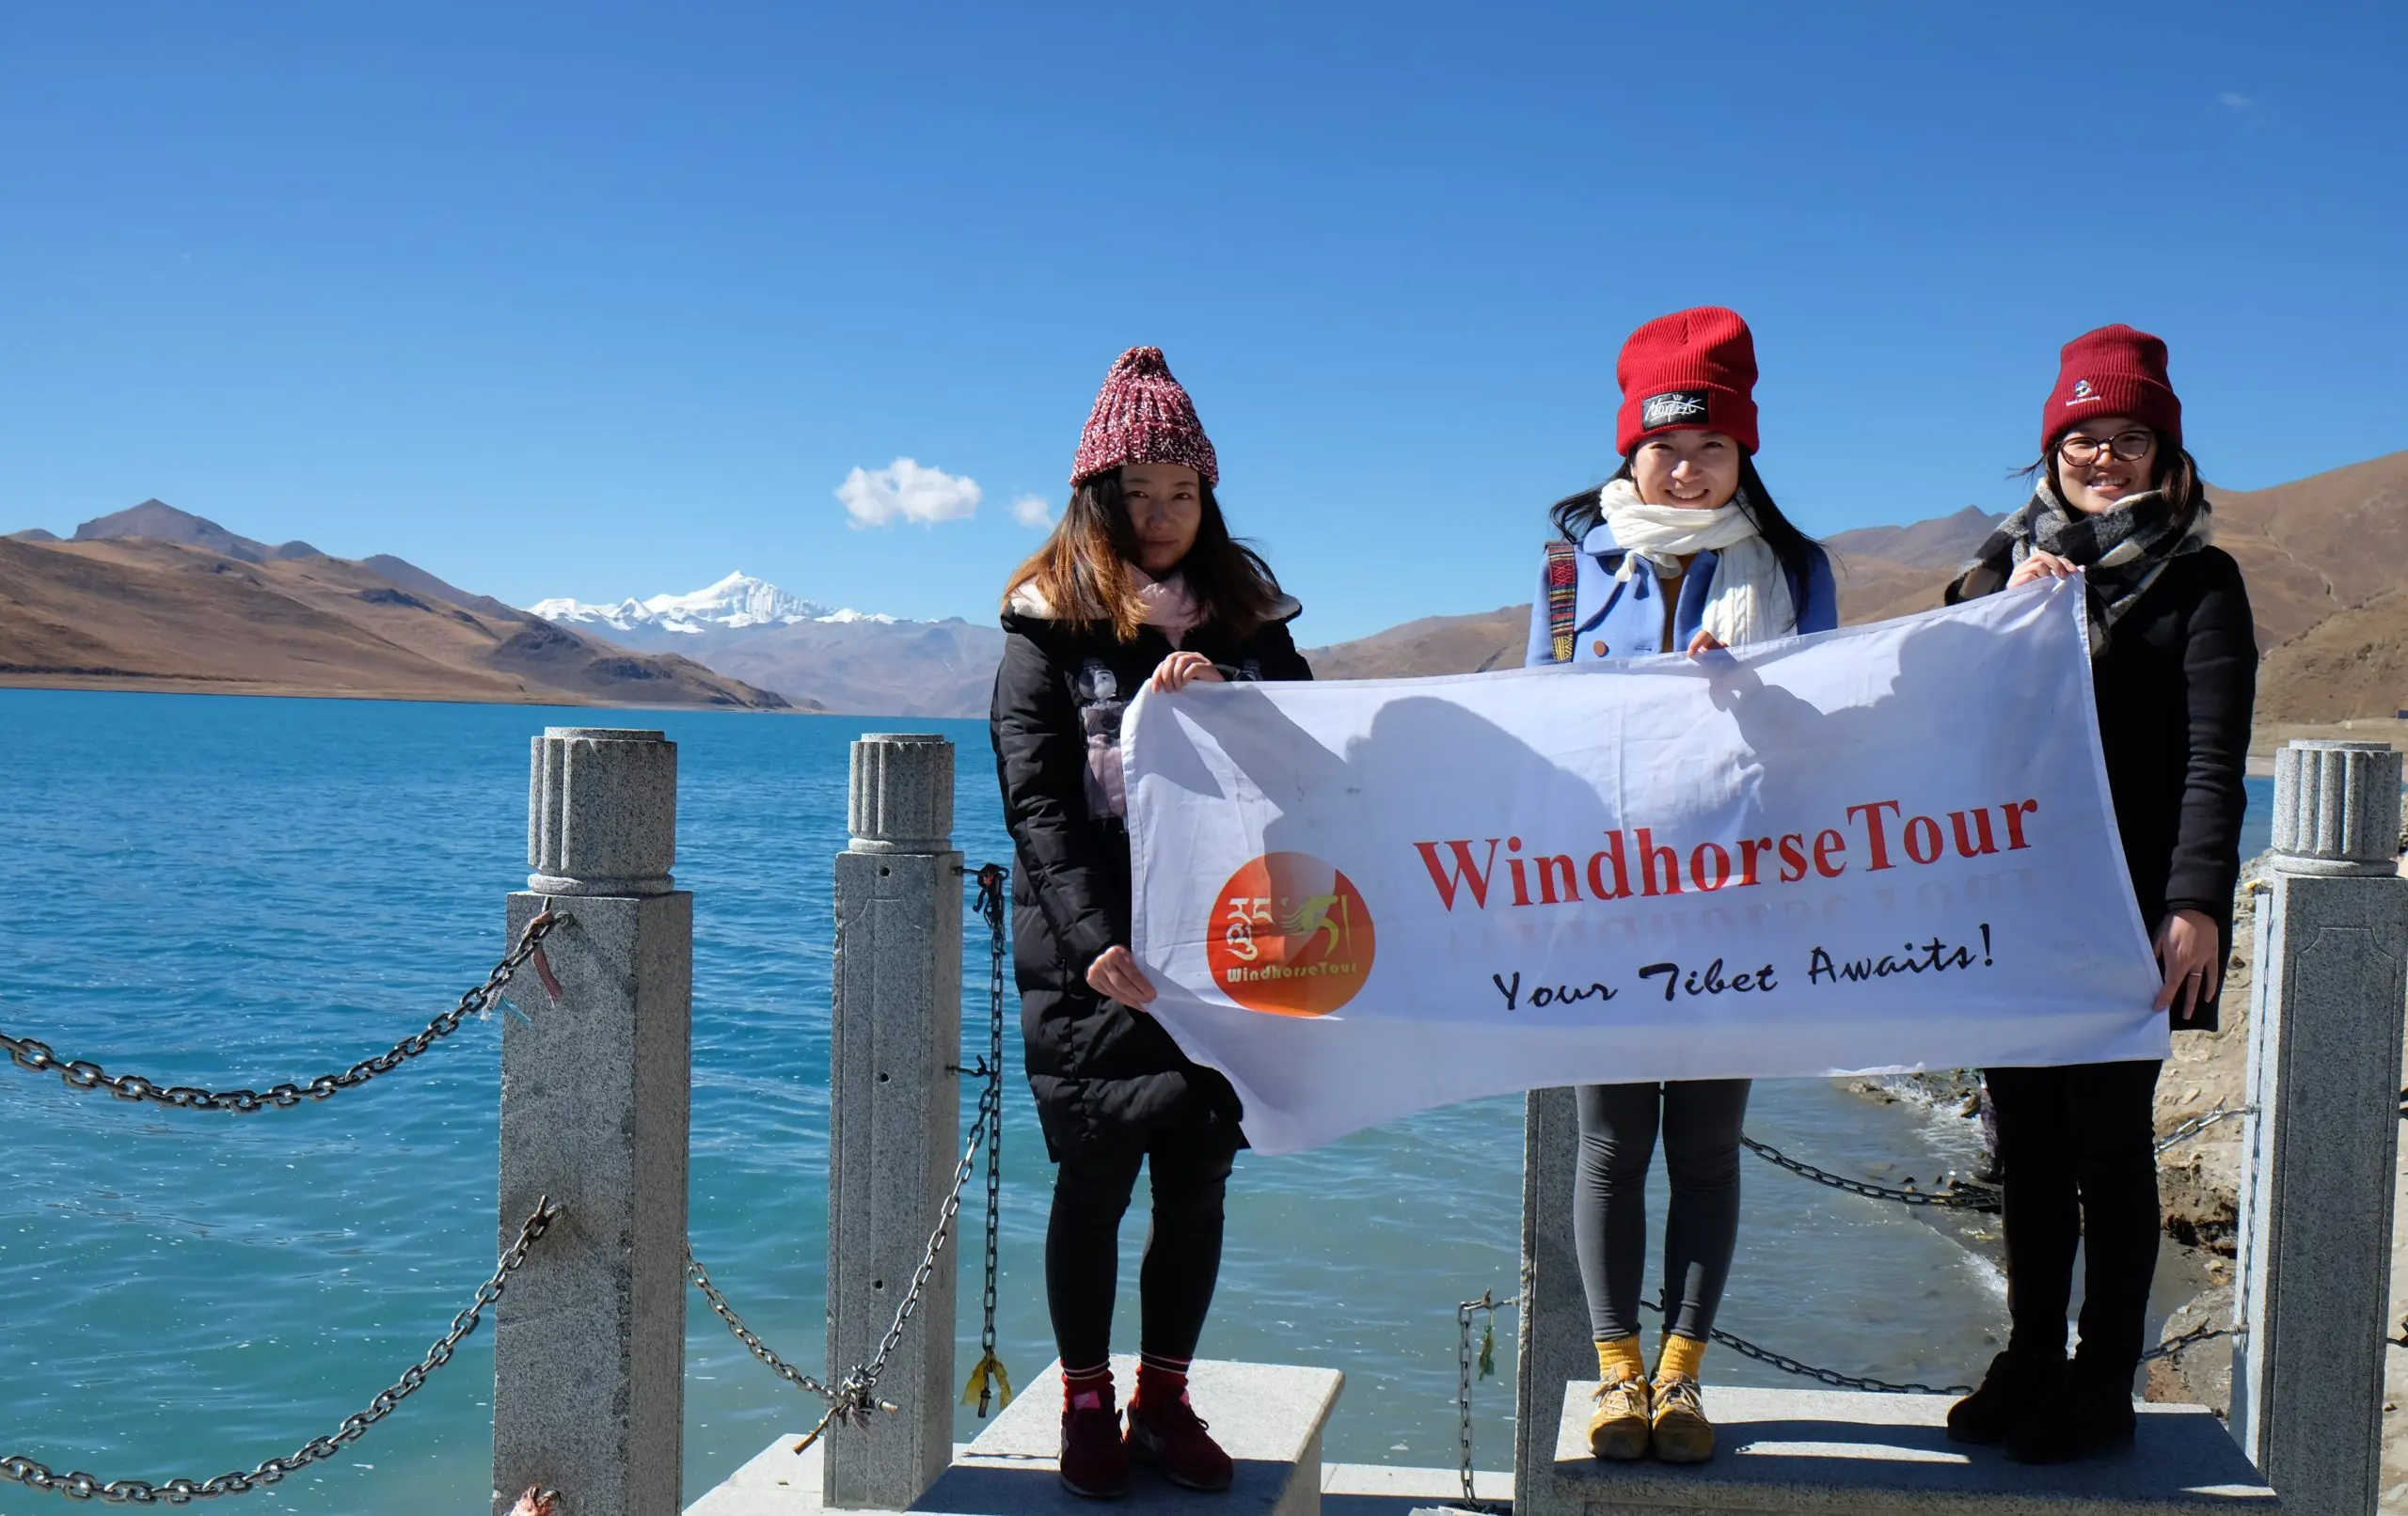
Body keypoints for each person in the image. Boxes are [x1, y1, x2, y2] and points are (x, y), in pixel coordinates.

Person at [991, 346, 1311, 1499]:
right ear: (1099, 500)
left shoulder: (1249, 624)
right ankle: (1084, 1404)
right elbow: (1036, 804)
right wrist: (1093, 946)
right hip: (1098, 959)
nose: (1165, 516)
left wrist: (1237, 703)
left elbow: (1312, 755)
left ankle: (1164, 1399)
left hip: (1221, 947)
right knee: (1093, 1182)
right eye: (1141, 495)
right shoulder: (1043, 632)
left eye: (1184, 494)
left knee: (1198, 1180)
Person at [1526, 307, 1836, 1463]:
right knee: (1609, 1142)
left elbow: (1837, 735)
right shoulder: (1571, 571)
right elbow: (1526, 727)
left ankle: (1683, 1376)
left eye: (1712, 446)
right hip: (1600, 902)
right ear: (1631, 450)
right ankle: (1612, 1372)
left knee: (1706, 1145)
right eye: (1668, 444)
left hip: (1742, 902)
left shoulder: (1794, 572)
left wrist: (1757, 693)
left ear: (1743, 453)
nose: (1689, 465)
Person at [1941, 324, 2256, 1463]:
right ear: (2050, 450)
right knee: (2020, 1139)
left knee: (2109, 1144)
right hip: (2013, 904)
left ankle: (2102, 1375)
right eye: (2082, 436)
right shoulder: (1996, 572)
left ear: (2163, 454)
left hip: (2127, 908)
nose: (2102, 457)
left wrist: (2196, 902)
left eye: (2126, 437)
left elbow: (2212, 757)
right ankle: (2029, 1353)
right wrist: (2001, 614)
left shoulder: (2201, 583)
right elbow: (1939, 717)